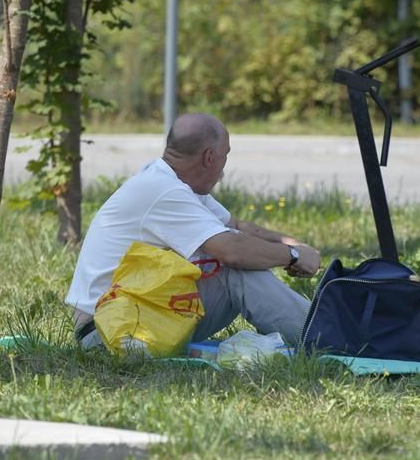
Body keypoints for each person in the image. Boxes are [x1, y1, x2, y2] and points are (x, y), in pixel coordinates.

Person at [65, 113, 323, 349]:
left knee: (238, 258)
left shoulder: (171, 181)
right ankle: (327, 338)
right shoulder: (164, 191)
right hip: (108, 331)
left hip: (132, 317)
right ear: (210, 157)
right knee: (234, 271)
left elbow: (239, 227)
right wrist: (292, 256)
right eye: (226, 155)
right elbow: (232, 251)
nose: (224, 167)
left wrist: (297, 246)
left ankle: (321, 329)